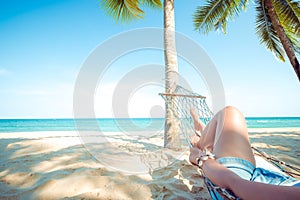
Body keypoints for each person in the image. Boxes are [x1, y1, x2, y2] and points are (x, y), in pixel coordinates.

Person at [189, 106, 300, 200]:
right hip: (267, 181)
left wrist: (201, 158)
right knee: (225, 121)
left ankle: (200, 141)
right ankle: (203, 130)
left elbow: (235, 184)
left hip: (238, 185)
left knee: (229, 112)